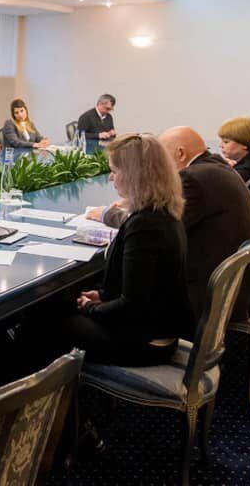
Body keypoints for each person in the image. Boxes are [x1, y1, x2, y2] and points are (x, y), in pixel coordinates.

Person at [92, 127, 250, 323]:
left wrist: (107, 214)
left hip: (202, 296)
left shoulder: (192, 178)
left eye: (161, 155)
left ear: (180, 153)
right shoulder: (214, 167)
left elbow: (153, 226)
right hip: (234, 284)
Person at [64, 134, 194, 365]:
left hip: (144, 343)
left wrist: (91, 307)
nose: (111, 177)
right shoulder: (163, 212)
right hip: (158, 330)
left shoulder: (145, 225)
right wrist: (103, 297)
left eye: (115, 171)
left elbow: (132, 306)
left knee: (49, 320)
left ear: (134, 175)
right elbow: (143, 288)